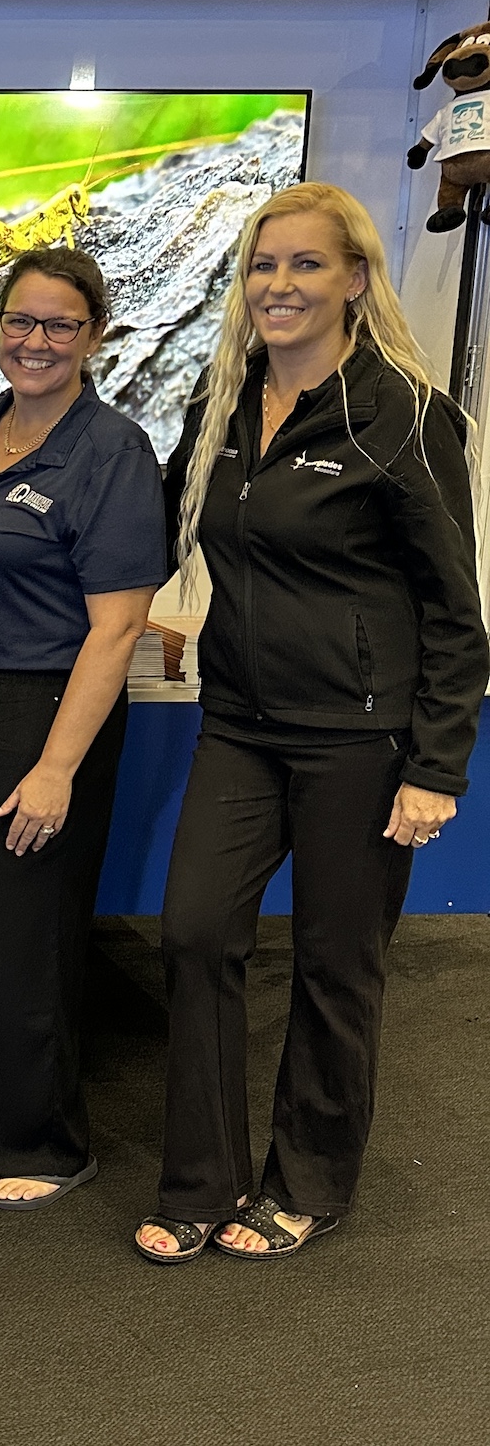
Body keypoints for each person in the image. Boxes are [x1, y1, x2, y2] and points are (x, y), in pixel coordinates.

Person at [136, 183, 487, 1264]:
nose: (278, 284)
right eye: (262, 264)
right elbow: (170, 527)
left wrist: (436, 766)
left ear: (354, 279)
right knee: (196, 932)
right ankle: (202, 1180)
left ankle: (309, 1181)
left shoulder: (405, 415)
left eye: (304, 263)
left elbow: (454, 609)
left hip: (360, 738)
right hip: (239, 723)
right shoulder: (222, 405)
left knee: (338, 964)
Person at [0, 248, 164, 1209]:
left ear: (94, 336)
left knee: (21, 932)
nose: (37, 341)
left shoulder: (113, 450)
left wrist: (56, 766)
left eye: (60, 324)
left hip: (45, 710)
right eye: (20, 320)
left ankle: (40, 1142)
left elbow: (119, 627)